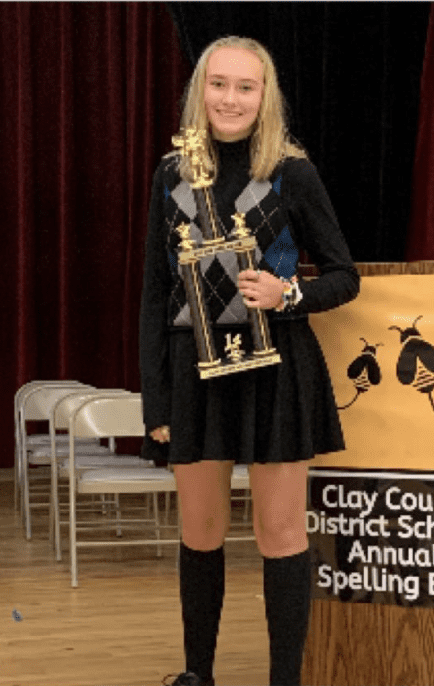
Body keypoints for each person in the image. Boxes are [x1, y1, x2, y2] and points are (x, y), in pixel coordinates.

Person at [139, 35, 359, 686]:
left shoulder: (292, 173)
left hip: (277, 370)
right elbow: (154, 292)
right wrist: (156, 399)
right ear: (199, 91)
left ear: (266, 97)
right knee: (200, 531)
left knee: (281, 534)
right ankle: (197, 675)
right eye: (219, 84)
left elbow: (343, 276)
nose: (230, 99)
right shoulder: (172, 175)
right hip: (194, 372)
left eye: (245, 87)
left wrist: (287, 293)